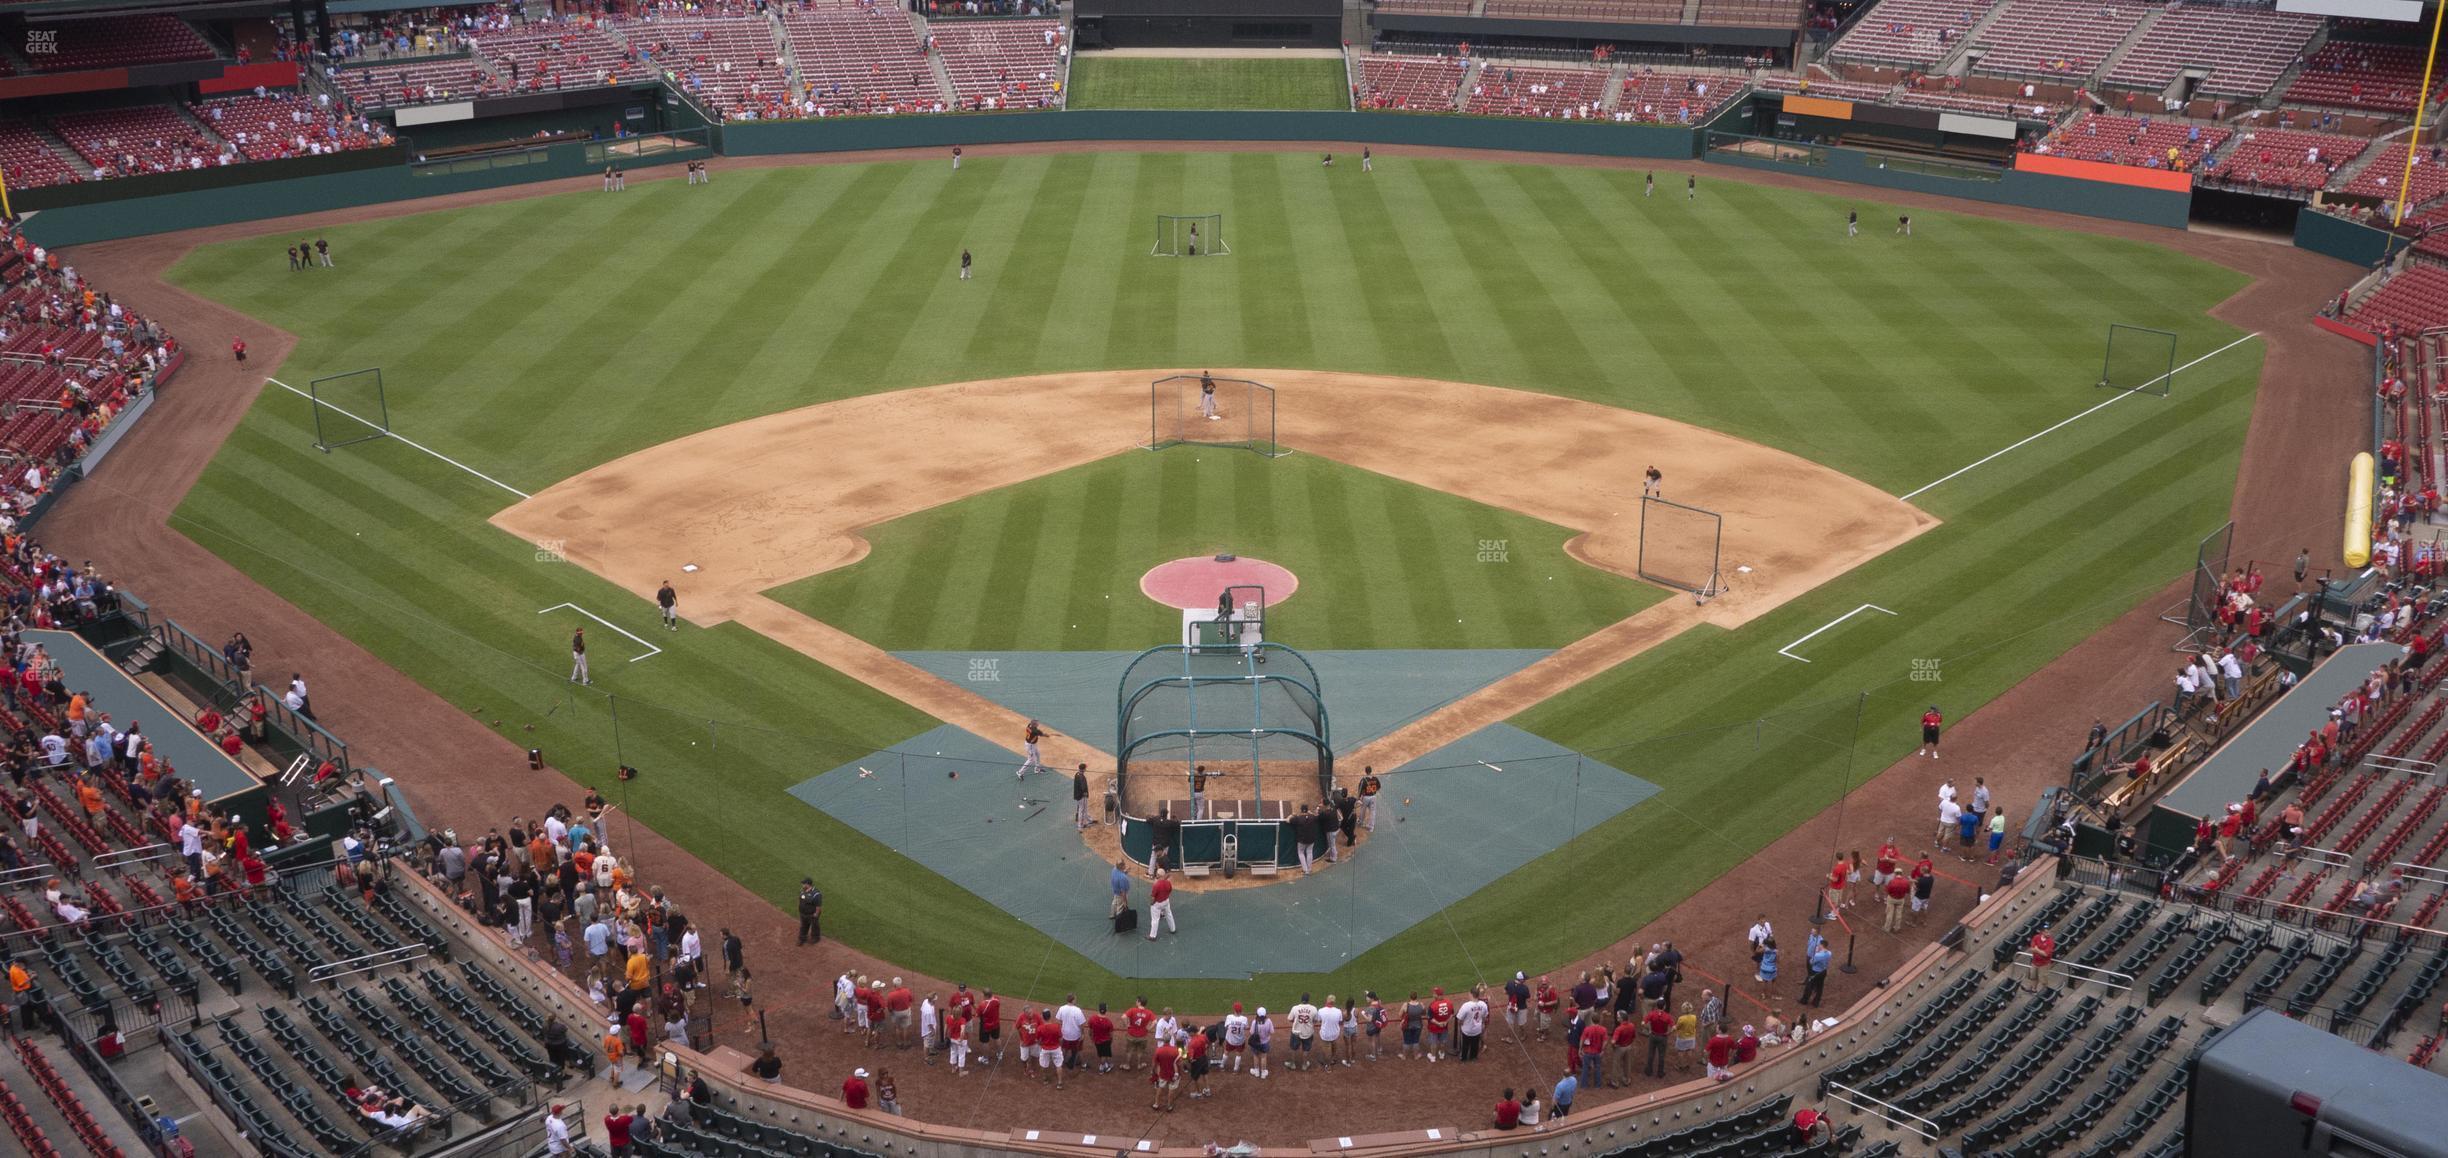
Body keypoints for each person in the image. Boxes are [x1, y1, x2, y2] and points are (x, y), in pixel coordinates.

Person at [1147, 869, 1175, 940]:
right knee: (1169, 915)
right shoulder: (1168, 883)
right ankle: (1173, 929)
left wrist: (1151, 903)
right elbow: (1170, 891)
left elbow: (1153, 897)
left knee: (1155, 920)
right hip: (1166, 901)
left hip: (1157, 904)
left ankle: (1152, 936)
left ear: (1158, 875)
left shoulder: (1156, 885)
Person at [797, 878, 822, 945]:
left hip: (812, 914)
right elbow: (800, 900)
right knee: (803, 926)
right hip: (803, 913)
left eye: (803, 883)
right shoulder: (802, 891)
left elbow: (818, 906)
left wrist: (816, 914)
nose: (802, 884)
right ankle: (802, 938)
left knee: (814, 926)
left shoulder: (816, 894)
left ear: (807, 884)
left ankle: (815, 938)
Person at [1074, 764, 1094, 829]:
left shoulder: (1077, 774)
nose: (1086, 769)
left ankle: (1089, 820)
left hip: (1077, 795)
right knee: (1082, 810)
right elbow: (1083, 787)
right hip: (1081, 796)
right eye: (1085, 768)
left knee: (1083, 809)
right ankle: (1080, 825)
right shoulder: (1081, 777)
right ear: (1083, 769)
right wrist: (1085, 794)